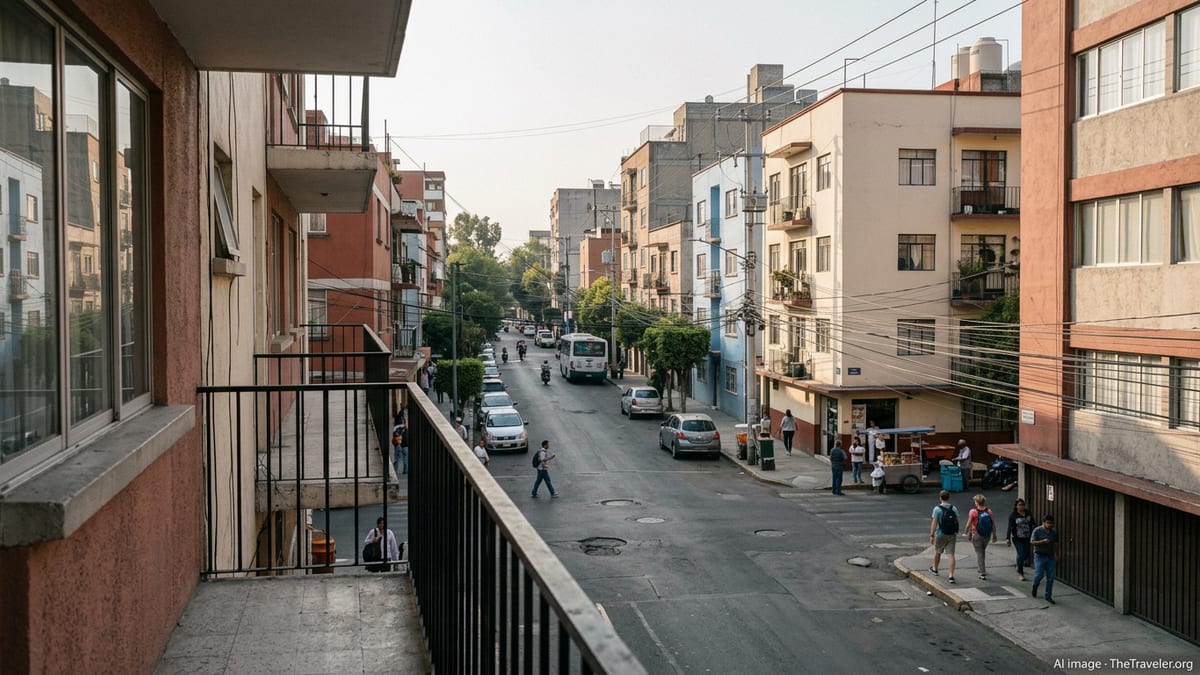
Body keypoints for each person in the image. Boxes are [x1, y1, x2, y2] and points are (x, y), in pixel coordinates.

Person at [929, 490, 960, 584]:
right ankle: (951, 575)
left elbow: (934, 523)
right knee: (951, 555)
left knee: (938, 552)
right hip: (951, 534)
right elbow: (957, 521)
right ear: (948, 498)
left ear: (940, 498)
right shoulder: (953, 508)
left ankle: (935, 569)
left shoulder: (937, 509)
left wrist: (931, 535)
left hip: (940, 534)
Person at [965, 493, 998, 580]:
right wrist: (994, 535)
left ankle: (982, 572)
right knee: (982, 551)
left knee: (980, 553)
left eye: (975, 501)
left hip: (977, 534)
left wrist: (966, 532)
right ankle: (981, 568)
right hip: (987, 535)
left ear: (977, 502)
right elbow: (993, 524)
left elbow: (969, 524)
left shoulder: (973, 511)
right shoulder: (989, 511)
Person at [1005, 498, 1036, 581]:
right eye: (1019, 505)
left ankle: (1018, 565)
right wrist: (1007, 538)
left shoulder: (1028, 513)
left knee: (1025, 554)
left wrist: (1035, 534)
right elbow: (1010, 527)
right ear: (1016, 506)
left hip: (1027, 537)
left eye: (1022, 505)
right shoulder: (1013, 515)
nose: (1021, 506)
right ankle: (1020, 572)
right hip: (1017, 537)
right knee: (1021, 553)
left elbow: (1033, 523)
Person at [1031, 515, 1058, 604]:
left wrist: (1056, 554)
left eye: (1051, 523)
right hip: (1039, 555)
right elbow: (1032, 542)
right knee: (1039, 574)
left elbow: (1055, 543)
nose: (1050, 525)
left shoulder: (1053, 532)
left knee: (1050, 577)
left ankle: (1048, 595)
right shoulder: (1037, 530)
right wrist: (1042, 541)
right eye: (1048, 523)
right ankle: (1035, 585)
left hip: (1050, 556)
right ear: (1043, 523)